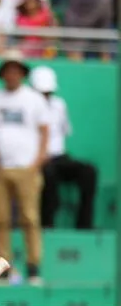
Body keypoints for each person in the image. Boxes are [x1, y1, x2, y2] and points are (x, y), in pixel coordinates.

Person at [0, 52, 49, 285]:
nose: (12, 74)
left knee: (30, 218)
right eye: (8, 69)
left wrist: (36, 162)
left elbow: (44, 133)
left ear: (22, 72)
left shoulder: (35, 99)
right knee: (0, 219)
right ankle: (3, 270)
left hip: (26, 168)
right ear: (3, 74)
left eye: (16, 69)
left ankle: (33, 268)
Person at [30, 66, 96, 229]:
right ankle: (47, 225)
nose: (45, 96)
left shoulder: (59, 105)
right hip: (39, 161)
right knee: (49, 177)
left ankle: (84, 225)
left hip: (60, 158)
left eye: (48, 93)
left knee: (89, 171)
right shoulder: (29, 105)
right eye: (42, 92)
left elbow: (64, 131)